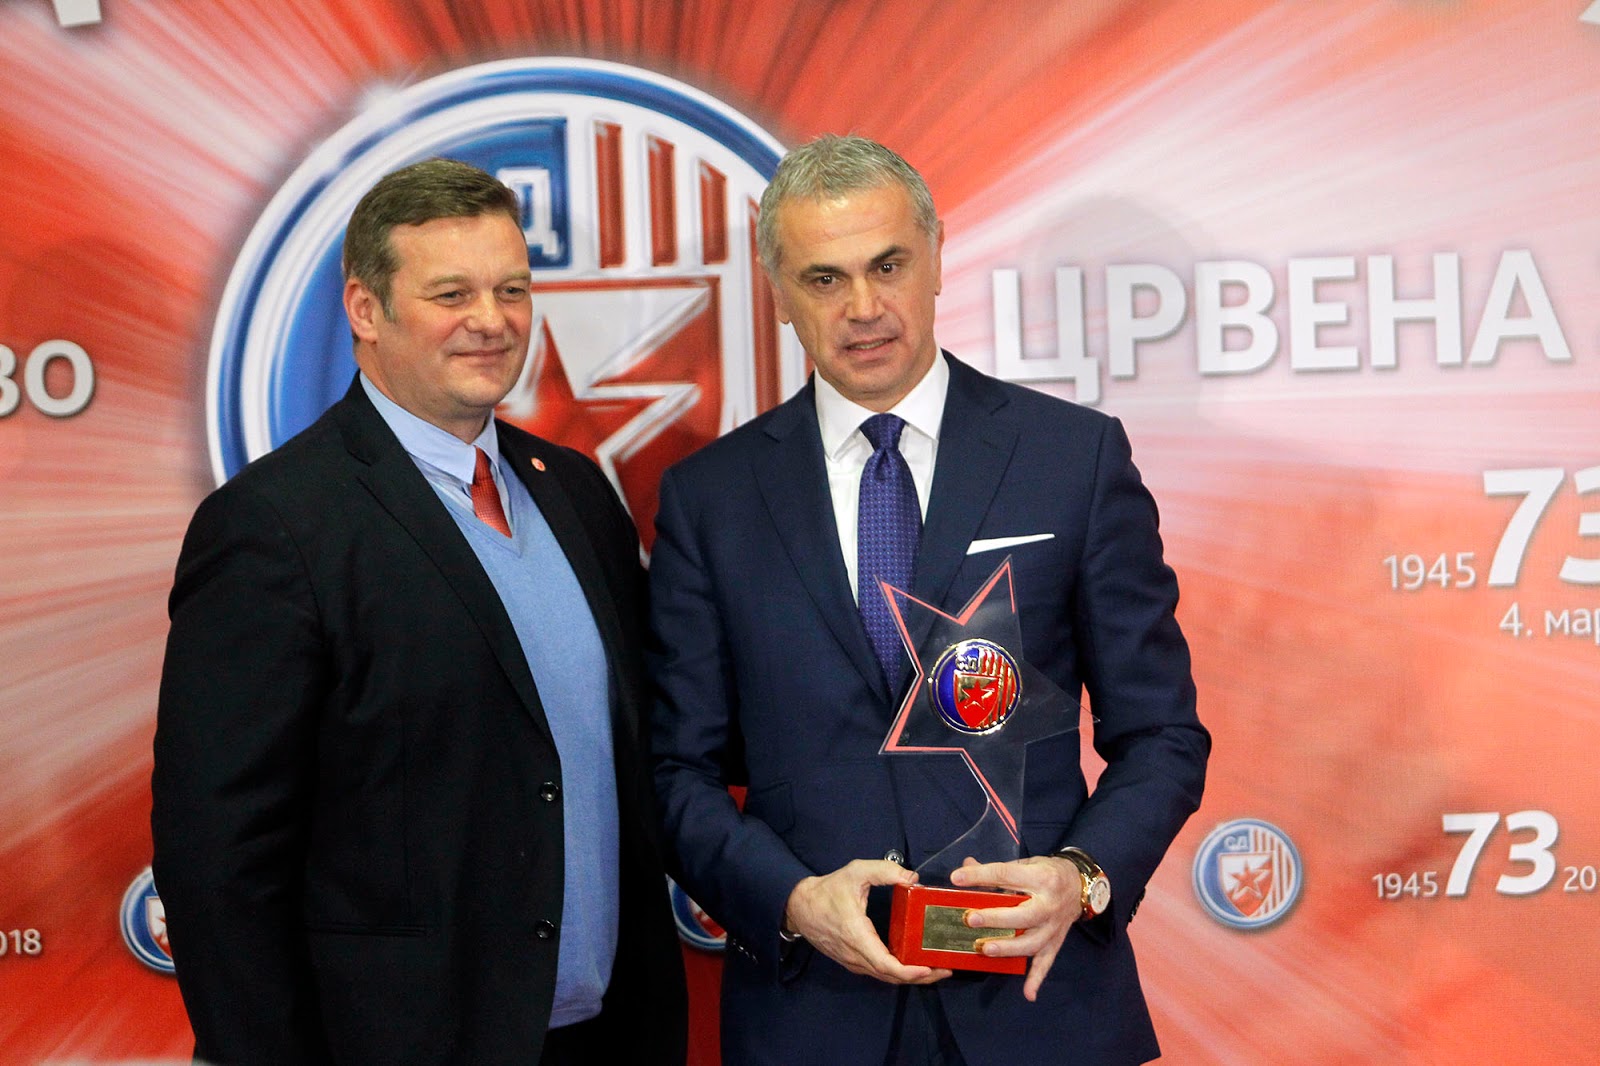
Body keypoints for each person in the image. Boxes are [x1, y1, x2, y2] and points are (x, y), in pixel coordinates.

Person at [649, 135, 1209, 1065]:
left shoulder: (1071, 459)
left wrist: (1082, 877)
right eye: (824, 279)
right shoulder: (710, 499)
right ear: (778, 292)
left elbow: (1162, 734)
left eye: (888, 265)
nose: (864, 308)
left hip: (1041, 1011)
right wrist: (793, 901)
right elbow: (676, 772)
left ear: (938, 257)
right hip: (813, 1020)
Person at [152, 158, 686, 1066]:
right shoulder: (273, 526)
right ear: (366, 310)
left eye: (512, 289)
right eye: (452, 293)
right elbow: (220, 858)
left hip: (607, 1038)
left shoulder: (576, 494)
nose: (493, 320)